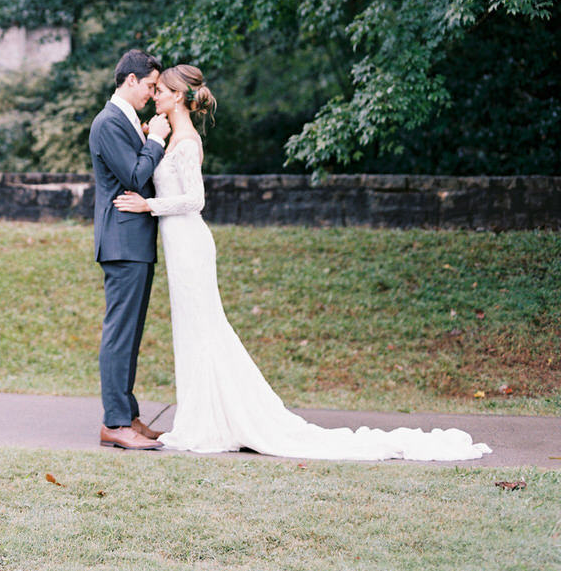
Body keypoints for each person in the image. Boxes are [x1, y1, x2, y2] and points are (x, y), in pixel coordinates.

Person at [114, 64, 492, 462]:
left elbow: (196, 200)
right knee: (192, 333)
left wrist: (148, 204)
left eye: (161, 91)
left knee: (204, 330)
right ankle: (205, 416)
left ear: (177, 96)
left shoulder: (188, 141)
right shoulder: (169, 136)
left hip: (191, 244)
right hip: (178, 245)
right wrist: (148, 140)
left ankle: (213, 421)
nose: (155, 95)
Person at [89, 48, 170, 450]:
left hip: (136, 240)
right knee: (119, 334)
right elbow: (136, 178)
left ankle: (129, 415)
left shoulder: (124, 120)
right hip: (121, 241)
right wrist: (155, 138)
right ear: (131, 80)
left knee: (131, 334)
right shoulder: (108, 122)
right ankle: (114, 422)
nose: (152, 94)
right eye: (150, 86)